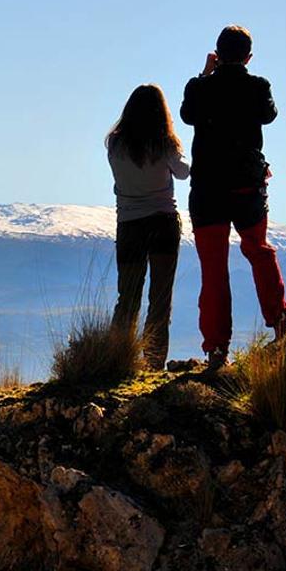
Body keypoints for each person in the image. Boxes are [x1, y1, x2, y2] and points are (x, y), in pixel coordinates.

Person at [180, 25, 286, 368]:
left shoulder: (199, 88)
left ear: (217, 52)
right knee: (259, 250)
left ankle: (217, 349)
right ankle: (281, 321)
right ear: (248, 57)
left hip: (208, 190)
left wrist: (205, 75)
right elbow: (269, 115)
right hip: (247, 186)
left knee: (213, 269)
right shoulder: (257, 86)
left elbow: (188, 115)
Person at [107, 83, 189, 368]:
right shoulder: (165, 144)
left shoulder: (115, 144)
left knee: (127, 296)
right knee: (160, 298)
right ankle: (153, 363)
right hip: (163, 222)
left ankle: (117, 359)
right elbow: (183, 173)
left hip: (129, 224)